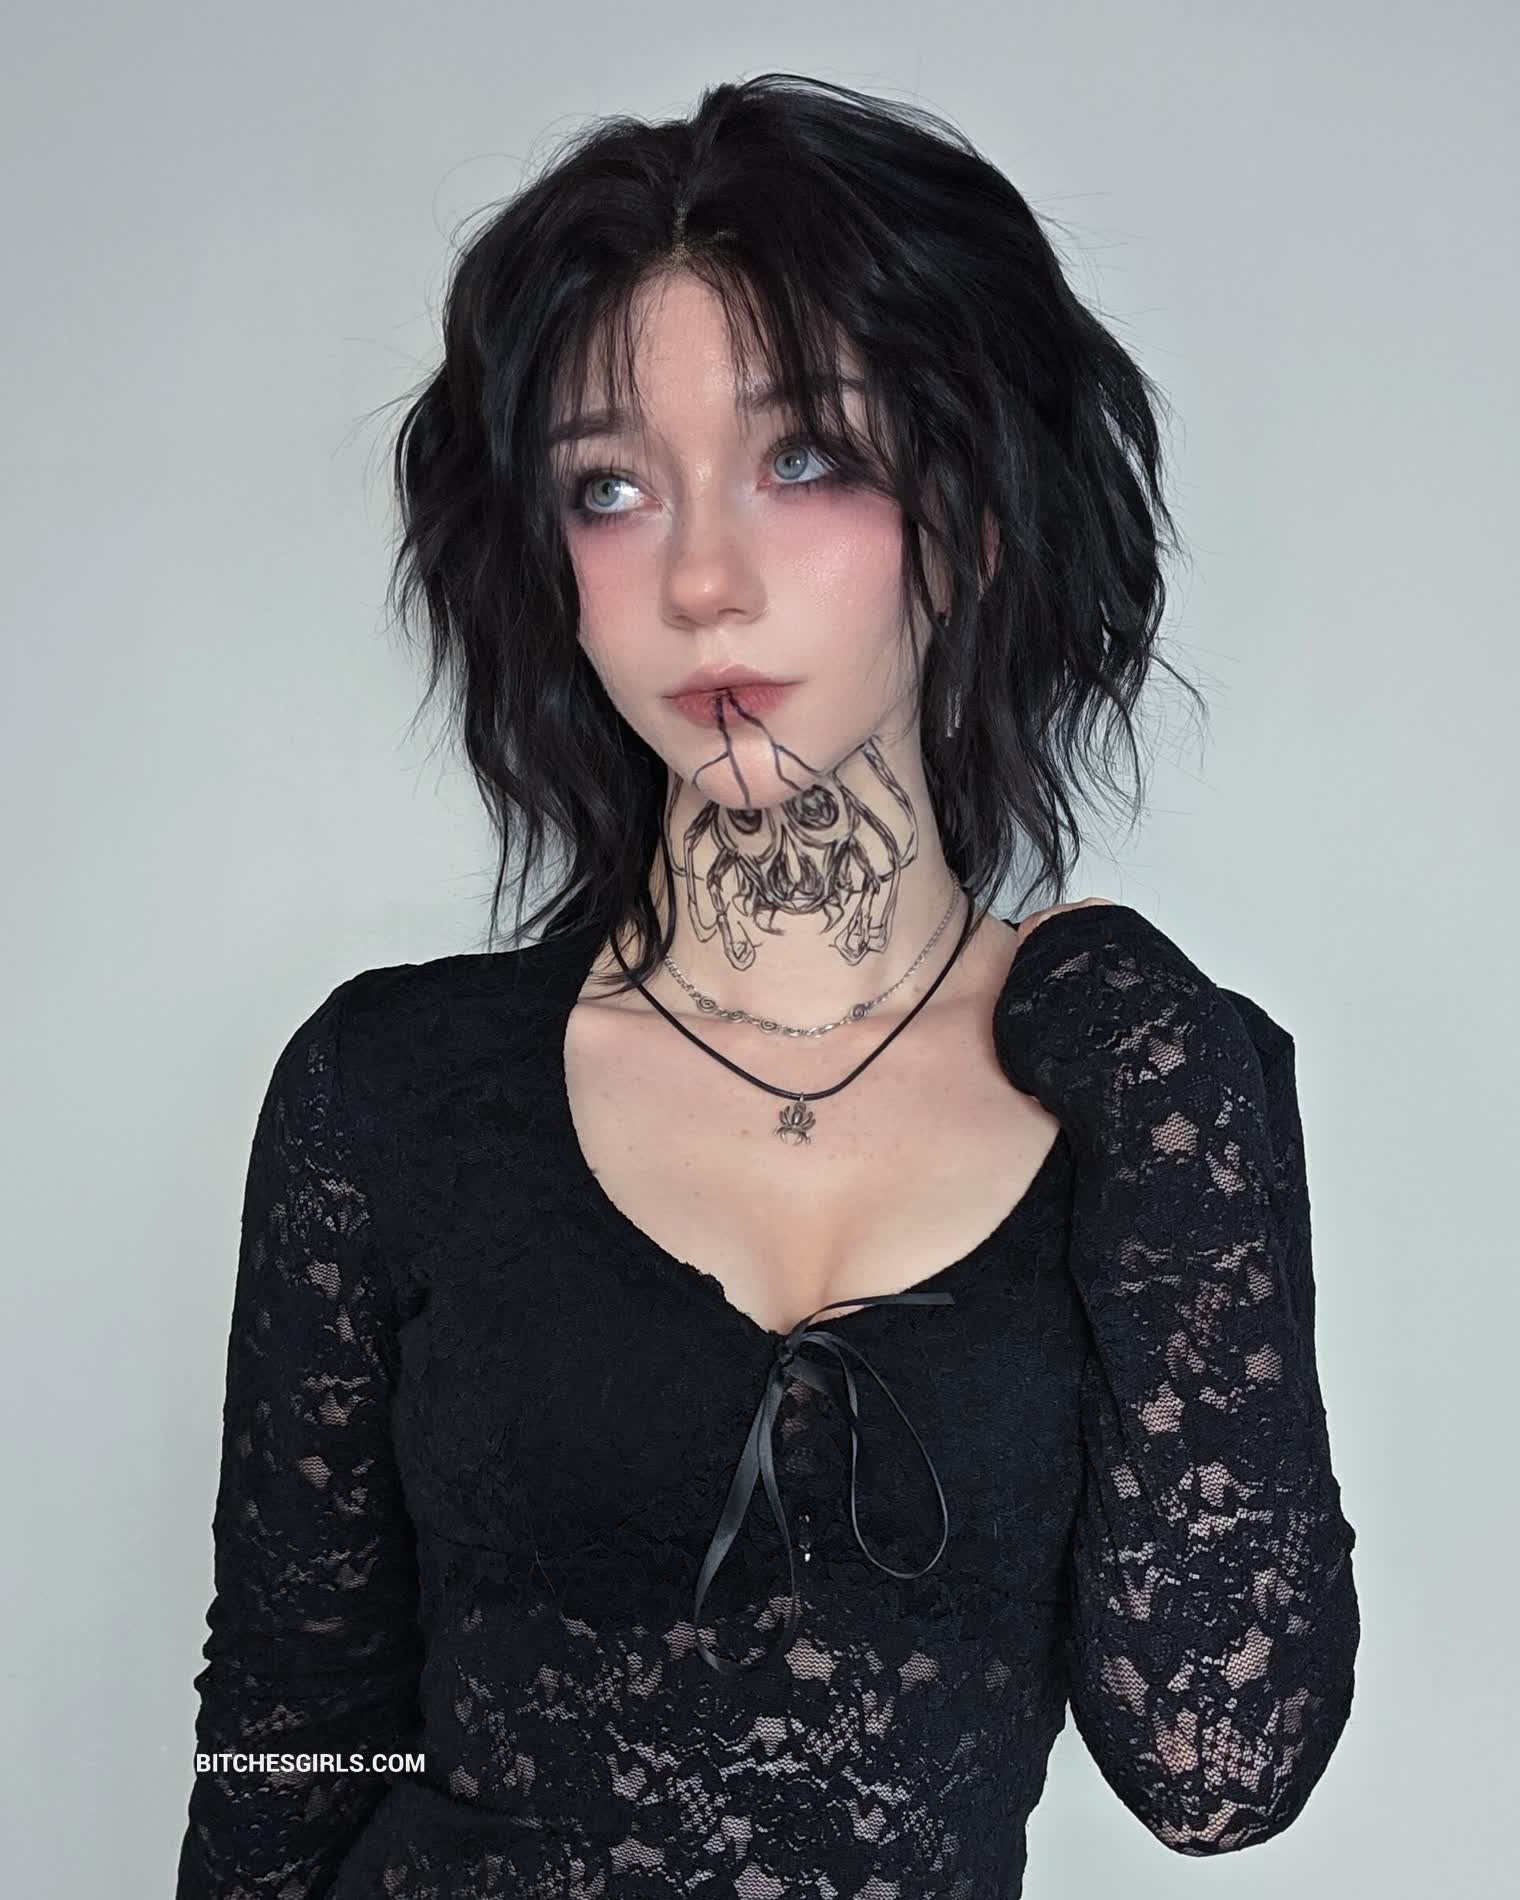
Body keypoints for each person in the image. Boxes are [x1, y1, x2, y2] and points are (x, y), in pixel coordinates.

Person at [174, 71, 1359, 1900]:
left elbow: (1222, 1769)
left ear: (969, 514)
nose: (702, 583)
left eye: (805, 458)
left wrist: (1152, 1059)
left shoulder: (1155, 1092)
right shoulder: (391, 1086)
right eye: (611, 489)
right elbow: (293, 1726)